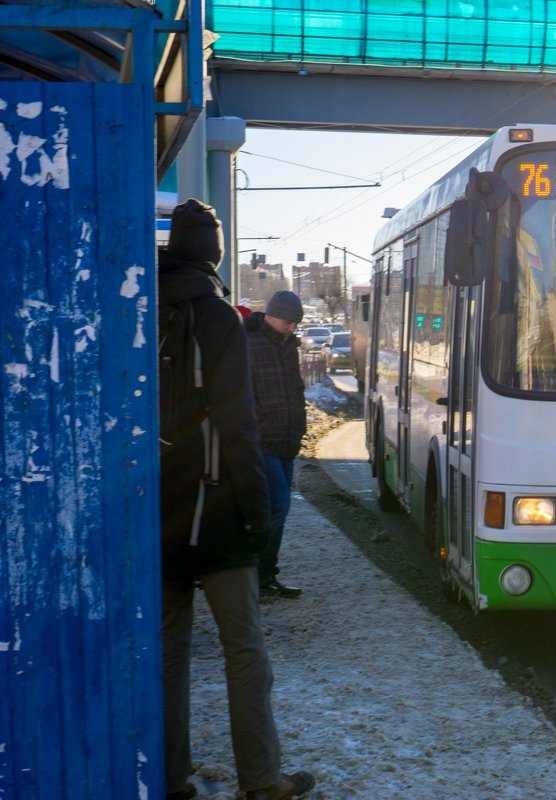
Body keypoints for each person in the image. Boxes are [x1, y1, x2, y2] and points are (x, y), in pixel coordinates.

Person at [159, 199, 315, 799]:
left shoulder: (144, 308)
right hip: (218, 509)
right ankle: (261, 778)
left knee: (169, 654)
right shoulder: (220, 318)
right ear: (214, 253)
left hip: (160, 511)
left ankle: (172, 777)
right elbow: (238, 425)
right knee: (245, 649)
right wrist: (258, 516)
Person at [244, 290, 308, 599]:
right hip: (262, 441)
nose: (292, 328)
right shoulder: (249, 343)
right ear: (273, 315)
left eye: (295, 324)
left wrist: (300, 428)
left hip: (286, 440)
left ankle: (266, 575)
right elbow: (241, 391)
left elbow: (295, 392)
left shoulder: (289, 347)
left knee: (279, 509)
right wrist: (255, 425)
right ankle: (252, 573)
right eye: (289, 322)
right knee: (278, 505)